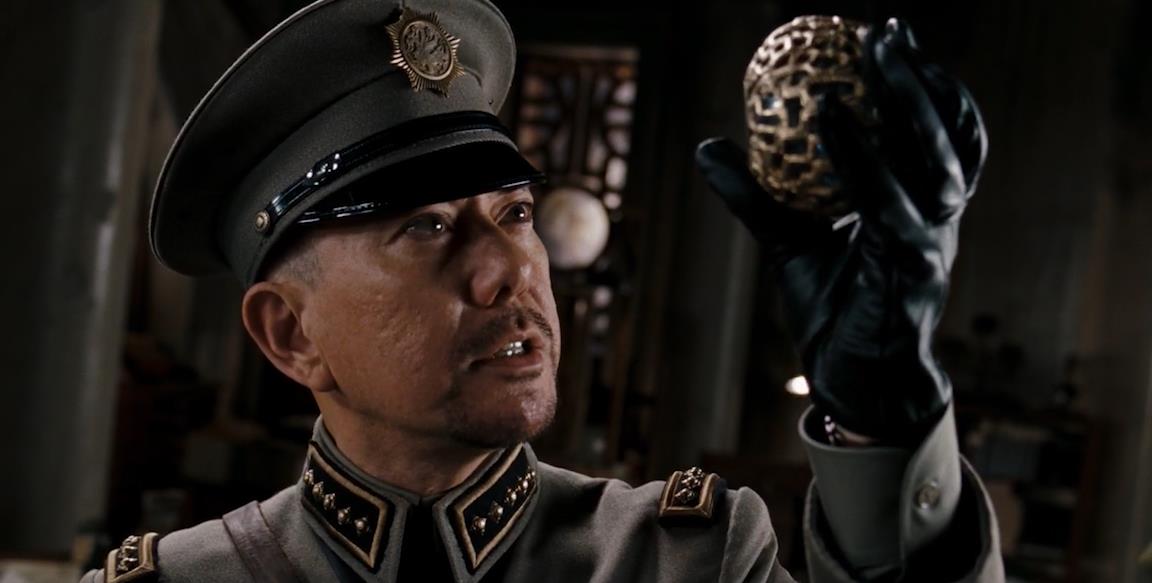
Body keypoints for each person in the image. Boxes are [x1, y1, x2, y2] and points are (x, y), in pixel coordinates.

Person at [82, 0, 1002, 581]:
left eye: (515, 212)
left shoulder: (687, 559)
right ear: (291, 332)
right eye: (426, 227)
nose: (510, 269)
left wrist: (882, 427)